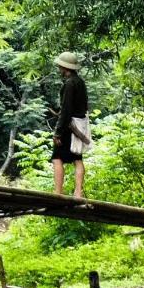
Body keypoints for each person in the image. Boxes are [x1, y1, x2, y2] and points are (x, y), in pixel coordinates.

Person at [51, 51, 89, 199]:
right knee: (77, 159)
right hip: (80, 125)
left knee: (57, 158)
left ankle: (58, 193)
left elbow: (66, 110)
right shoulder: (80, 82)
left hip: (69, 126)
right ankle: (78, 193)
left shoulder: (69, 84)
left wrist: (58, 132)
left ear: (64, 67)